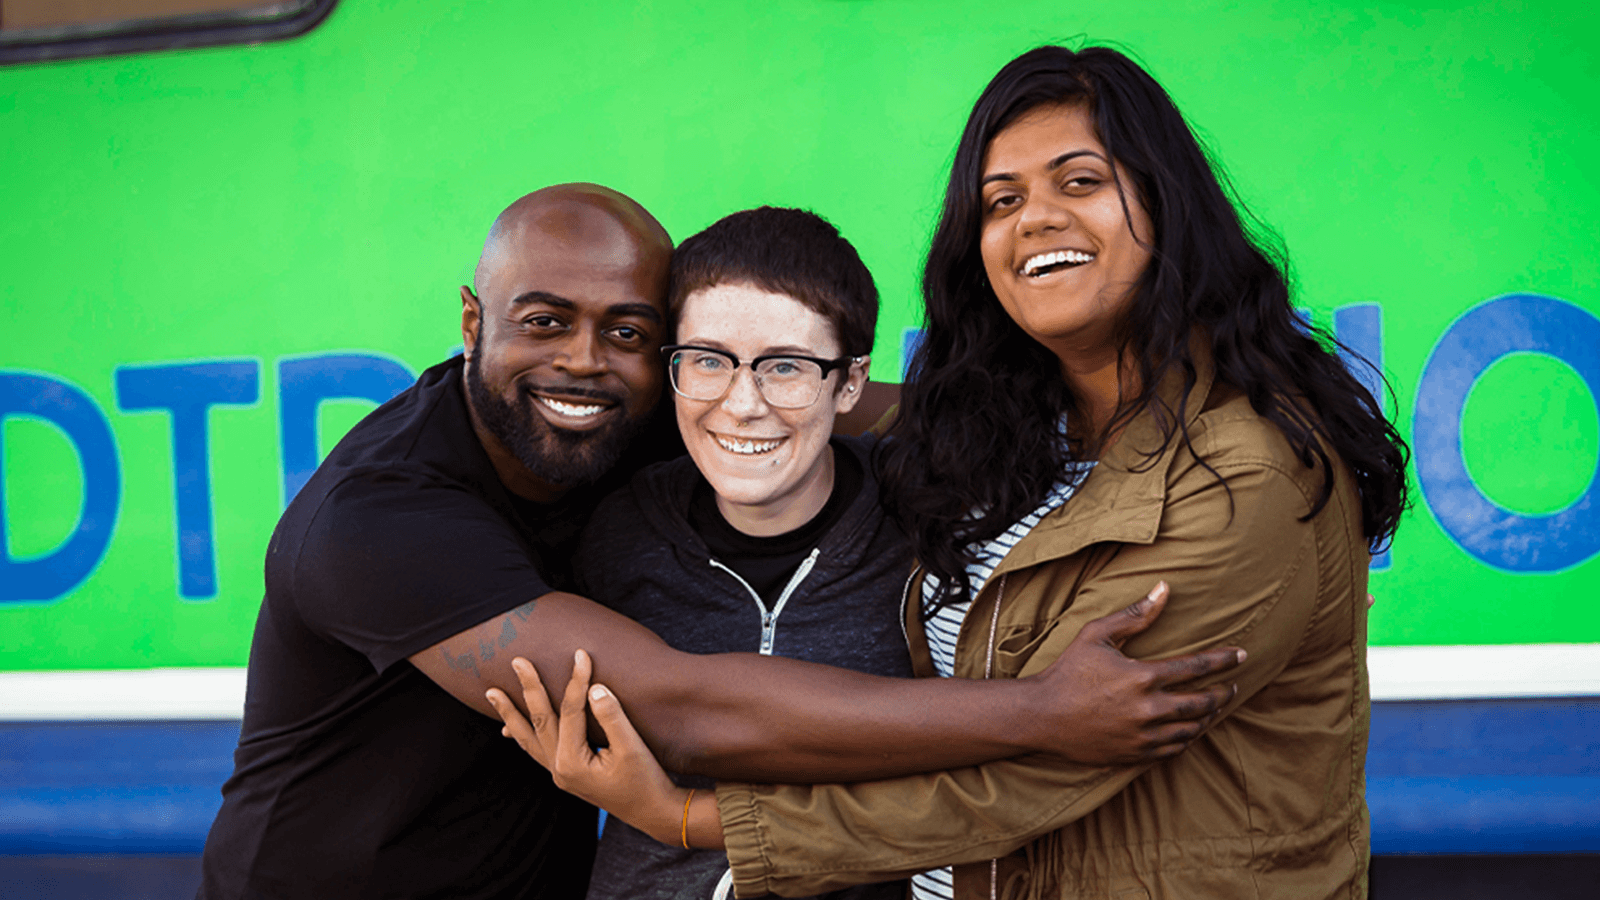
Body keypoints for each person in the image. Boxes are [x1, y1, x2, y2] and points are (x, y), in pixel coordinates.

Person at [492, 45, 1409, 900]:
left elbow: (1032, 770)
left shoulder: (1247, 475)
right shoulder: (995, 442)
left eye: (1080, 182)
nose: (1035, 218)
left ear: (1166, 204)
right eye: (1001, 201)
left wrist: (685, 817)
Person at [197, 182, 1245, 899]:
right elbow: (683, 712)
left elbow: (858, 403)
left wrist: (1162, 426)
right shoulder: (376, 521)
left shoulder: (637, 410)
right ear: (473, 321)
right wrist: (1042, 713)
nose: (584, 362)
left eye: (627, 332)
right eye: (544, 320)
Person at [578, 206, 910, 900]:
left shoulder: (922, 527)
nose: (742, 404)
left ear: (851, 381)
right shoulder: (612, 531)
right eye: (708, 361)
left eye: (785, 366)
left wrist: (682, 815)